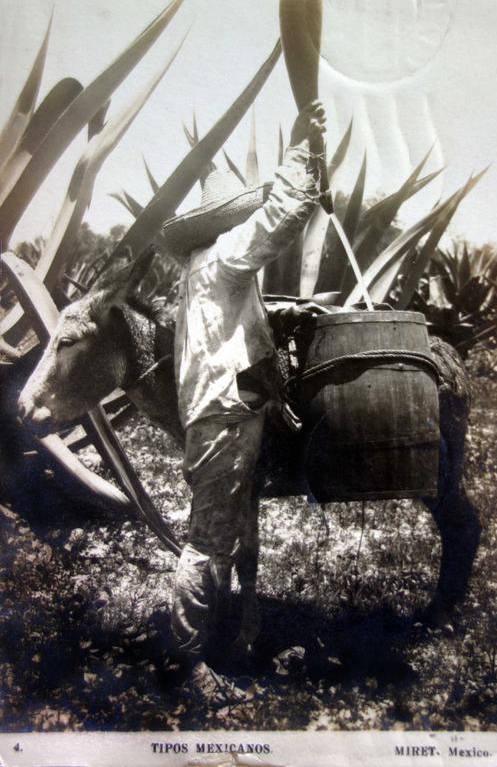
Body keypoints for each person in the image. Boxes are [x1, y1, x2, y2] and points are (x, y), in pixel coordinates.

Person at [163, 100, 326, 697]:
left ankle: (233, 632)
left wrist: (286, 309)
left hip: (226, 412)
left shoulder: (205, 270)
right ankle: (188, 662)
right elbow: (284, 215)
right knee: (208, 537)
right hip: (225, 418)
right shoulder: (227, 256)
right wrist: (307, 141)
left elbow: (233, 319)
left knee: (228, 529)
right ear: (224, 223)